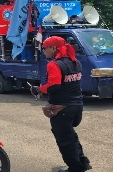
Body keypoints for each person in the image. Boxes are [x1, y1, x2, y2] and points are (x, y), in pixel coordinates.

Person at [31, 36, 91, 172]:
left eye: (45, 48)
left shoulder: (54, 64)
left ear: (53, 48)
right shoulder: (75, 62)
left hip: (62, 109)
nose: (43, 51)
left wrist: (38, 89)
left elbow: (54, 86)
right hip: (77, 106)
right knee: (71, 136)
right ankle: (82, 162)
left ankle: (75, 168)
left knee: (65, 141)